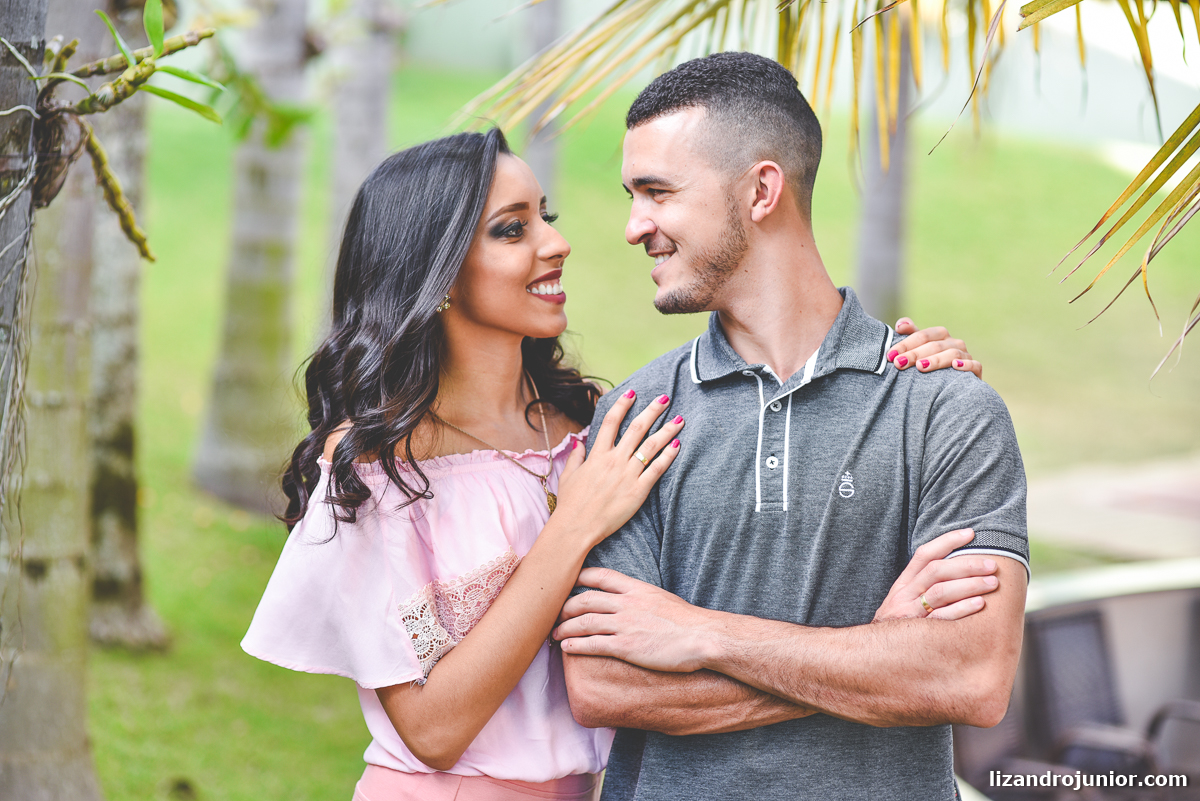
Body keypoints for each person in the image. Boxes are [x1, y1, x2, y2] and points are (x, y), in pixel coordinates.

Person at [240, 127, 994, 800]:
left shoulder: (599, 428)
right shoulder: (379, 466)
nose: (555, 242)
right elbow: (434, 728)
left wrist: (904, 369)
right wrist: (872, 661)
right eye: (512, 229)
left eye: (546, 216)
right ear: (436, 277)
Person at [551, 52, 1029, 801]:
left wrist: (700, 632)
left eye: (657, 192)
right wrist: (874, 654)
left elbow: (970, 676)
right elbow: (606, 685)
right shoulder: (635, 422)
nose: (632, 225)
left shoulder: (946, 412)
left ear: (762, 189)